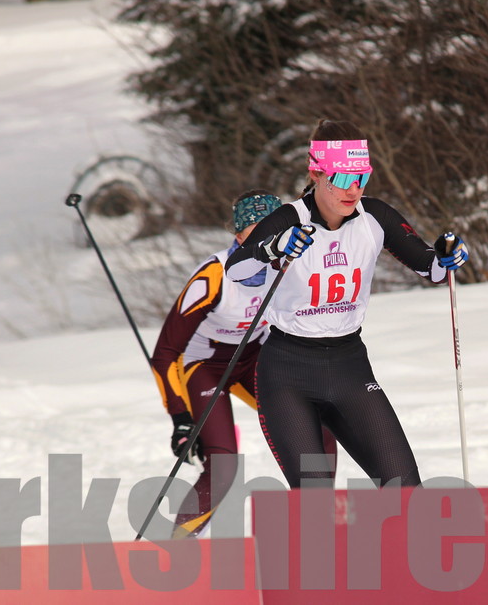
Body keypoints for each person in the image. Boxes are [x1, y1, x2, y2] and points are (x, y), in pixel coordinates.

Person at [224, 119, 470, 489]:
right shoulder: (289, 219)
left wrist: (448, 257)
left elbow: (430, 267)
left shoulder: (375, 216)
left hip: (349, 367)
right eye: (341, 179)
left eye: (362, 178)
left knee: (405, 489)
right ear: (316, 174)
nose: (353, 189)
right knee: (316, 499)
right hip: (288, 372)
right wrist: (273, 247)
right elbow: (236, 269)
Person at [149, 189, 336, 538]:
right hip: (205, 365)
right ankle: (178, 546)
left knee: (321, 430)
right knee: (223, 467)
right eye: (256, 231)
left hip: (255, 359)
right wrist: (181, 419)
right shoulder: (213, 277)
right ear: (238, 236)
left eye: (275, 229)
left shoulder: (292, 265)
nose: (267, 238)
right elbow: (165, 353)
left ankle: (316, 527)